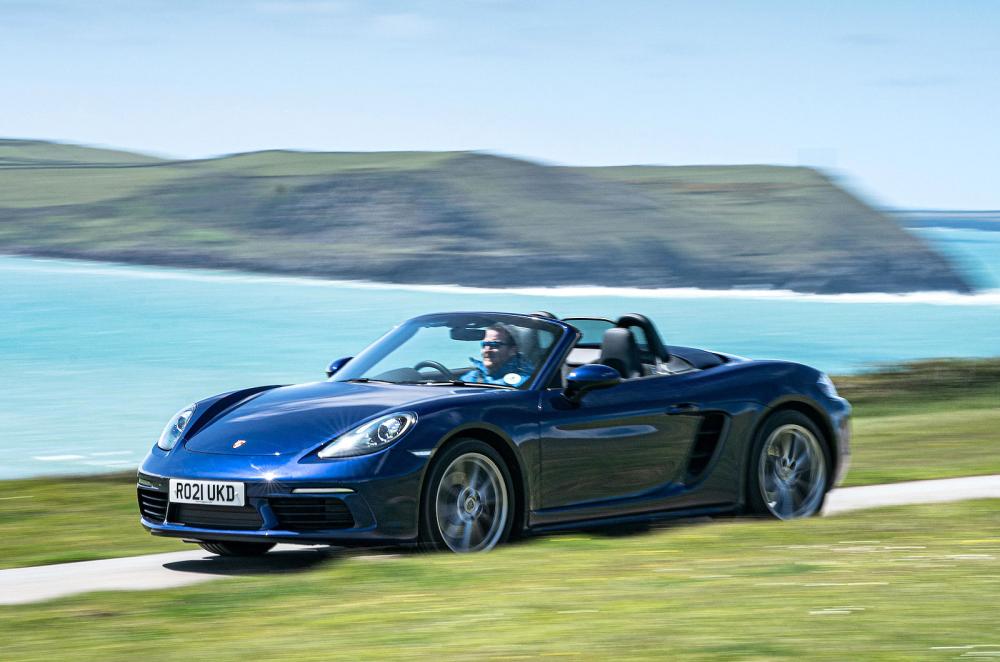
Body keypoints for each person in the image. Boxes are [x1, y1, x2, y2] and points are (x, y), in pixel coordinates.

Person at [460, 324, 534, 387]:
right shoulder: (472, 376)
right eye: (484, 344)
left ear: (512, 350)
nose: (487, 350)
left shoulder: (524, 382)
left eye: (494, 345)